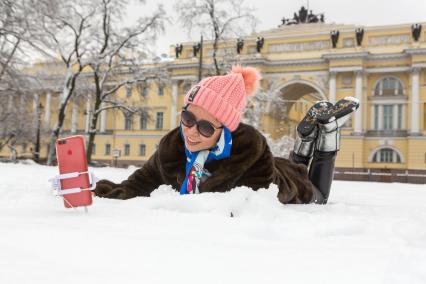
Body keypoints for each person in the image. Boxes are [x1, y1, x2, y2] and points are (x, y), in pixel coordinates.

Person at [94, 66, 359, 204]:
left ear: (226, 129)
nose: (191, 132)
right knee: (296, 164)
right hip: (277, 164)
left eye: (206, 127)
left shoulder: (249, 150)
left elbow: (254, 204)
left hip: (285, 183)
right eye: (187, 119)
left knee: (316, 195)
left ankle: (326, 135)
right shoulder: (172, 145)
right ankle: (304, 139)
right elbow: (139, 183)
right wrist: (101, 192)